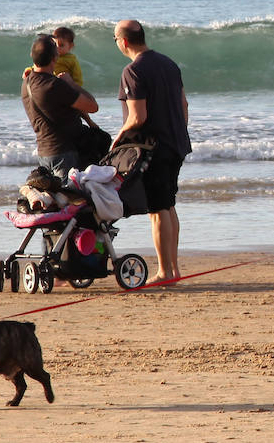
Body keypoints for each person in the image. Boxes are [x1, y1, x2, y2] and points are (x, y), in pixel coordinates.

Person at [114, 19, 192, 283]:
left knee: (158, 210)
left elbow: (137, 116)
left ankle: (164, 271)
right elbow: (184, 105)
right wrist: (178, 132)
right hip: (177, 141)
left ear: (123, 42)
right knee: (169, 205)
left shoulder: (133, 71)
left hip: (153, 147)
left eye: (115, 40)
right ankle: (174, 269)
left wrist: (119, 138)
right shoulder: (169, 64)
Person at [22, 34, 99, 179]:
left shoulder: (26, 83)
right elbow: (92, 106)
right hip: (65, 153)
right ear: (54, 58)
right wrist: (71, 83)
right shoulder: (54, 85)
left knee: (57, 198)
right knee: (72, 197)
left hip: (44, 152)